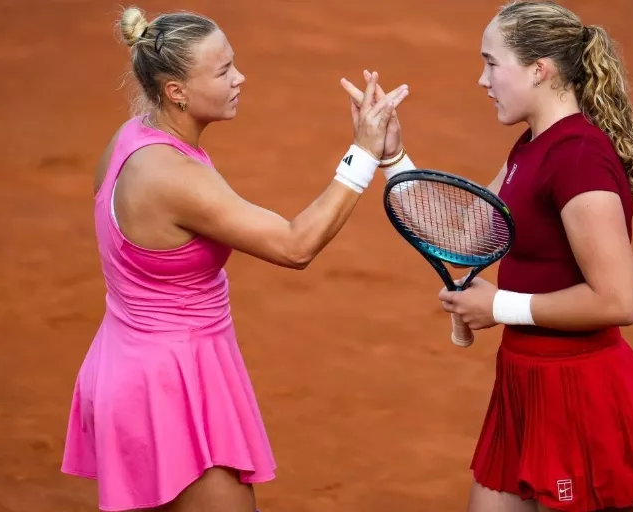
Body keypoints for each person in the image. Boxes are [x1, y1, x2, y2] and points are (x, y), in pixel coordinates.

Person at [60, 5, 409, 512]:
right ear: (176, 91)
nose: (239, 78)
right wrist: (365, 153)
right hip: (170, 385)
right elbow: (295, 245)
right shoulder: (173, 177)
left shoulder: (131, 138)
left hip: (127, 365)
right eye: (223, 71)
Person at [341, 1, 633, 511]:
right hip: (523, 386)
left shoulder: (579, 158)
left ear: (539, 70)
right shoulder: (532, 146)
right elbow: (466, 239)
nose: (483, 79)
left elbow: (618, 300)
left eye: (492, 63)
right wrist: (393, 157)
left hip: (578, 397)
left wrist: (499, 306)